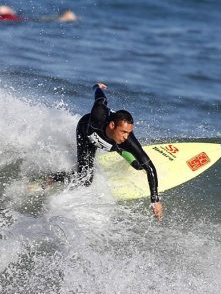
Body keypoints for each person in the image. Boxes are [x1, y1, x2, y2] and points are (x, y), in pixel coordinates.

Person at [50, 83, 164, 221]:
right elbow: (100, 99)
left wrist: (155, 200)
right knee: (85, 179)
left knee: (140, 165)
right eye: (123, 132)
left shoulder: (126, 140)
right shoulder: (98, 115)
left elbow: (150, 167)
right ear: (112, 125)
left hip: (113, 145)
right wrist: (97, 87)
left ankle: (128, 158)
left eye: (129, 132)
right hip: (86, 135)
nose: (126, 136)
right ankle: (52, 178)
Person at [0, 0, 77, 22]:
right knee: (30, 19)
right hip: (1, 12)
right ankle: (62, 17)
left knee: (30, 20)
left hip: (2, 15)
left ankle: (63, 18)